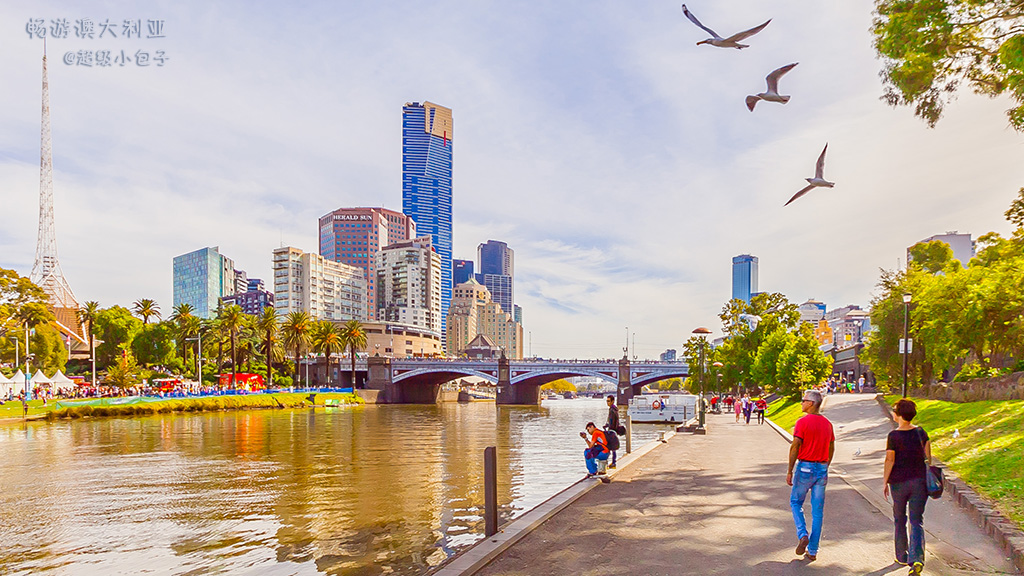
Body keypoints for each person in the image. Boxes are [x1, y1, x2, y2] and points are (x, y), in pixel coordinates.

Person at [883, 399, 931, 575]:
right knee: (916, 520)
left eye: (895, 410)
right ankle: (917, 558)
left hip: (898, 483)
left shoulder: (893, 436)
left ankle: (901, 555)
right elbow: (928, 458)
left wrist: (885, 481)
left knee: (899, 518)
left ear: (899, 415)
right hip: (919, 482)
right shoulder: (921, 433)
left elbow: (890, 460)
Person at [787, 389, 835, 562]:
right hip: (821, 468)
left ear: (811, 403)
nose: (802, 403)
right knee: (817, 511)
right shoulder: (827, 424)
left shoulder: (802, 422)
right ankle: (813, 550)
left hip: (805, 468)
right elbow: (831, 446)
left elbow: (795, 446)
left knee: (795, 502)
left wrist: (790, 470)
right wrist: (826, 464)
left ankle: (802, 534)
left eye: (804, 400)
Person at [604, 395, 621, 469]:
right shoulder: (615, 409)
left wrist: (608, 427)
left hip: (612, 430)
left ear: (612, 401)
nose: (607, 403)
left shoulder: (612, 410)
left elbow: (611, 421)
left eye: (609, 401)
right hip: (614, 430)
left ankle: (610, 463)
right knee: (613, 448)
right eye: (607, 401)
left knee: (608, 447)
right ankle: (613, 462)